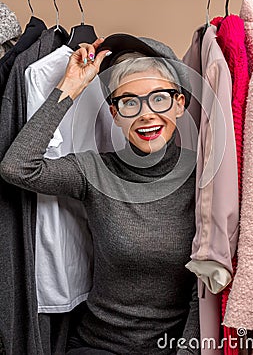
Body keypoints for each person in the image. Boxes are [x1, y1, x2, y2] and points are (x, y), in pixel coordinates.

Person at [0, 34, 200, 355]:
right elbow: (18, 168)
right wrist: (70, 87)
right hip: (99, 346)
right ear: (115, 114)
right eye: (129, 102)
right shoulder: (95, 171)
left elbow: (203, 287)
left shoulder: (202, 178)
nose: (146, 113)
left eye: (159, 98)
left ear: (179, 104)